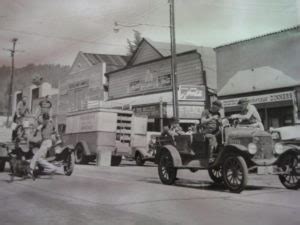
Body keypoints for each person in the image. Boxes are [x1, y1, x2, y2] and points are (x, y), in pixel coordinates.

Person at [29, 113, 57, 179]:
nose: (45, 121)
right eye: (45, 119)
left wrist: (35, 132)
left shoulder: (44, 124)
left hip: (46, 142)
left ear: (45, 119)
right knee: (40, 159)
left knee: (36, 157)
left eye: (45, 119)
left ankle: (30, 170)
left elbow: (38, 129)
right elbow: (54, 131)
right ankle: (51, 168)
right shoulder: (49, 124)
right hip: (46, 142)